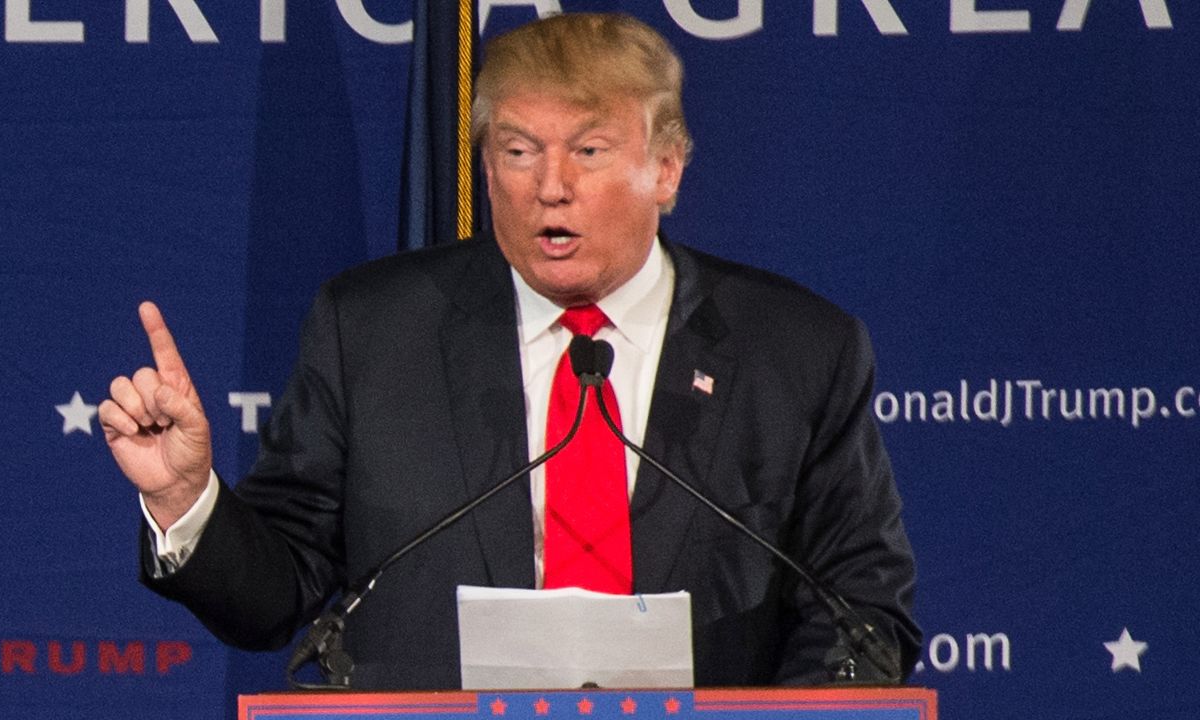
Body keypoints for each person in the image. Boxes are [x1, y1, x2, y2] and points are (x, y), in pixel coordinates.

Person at [100, 12, 920, 690]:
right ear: (487, 167)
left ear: (666, 168)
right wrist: (186, 500)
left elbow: (861, 614)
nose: (549, 186)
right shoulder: (375, 330)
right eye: (519, 151)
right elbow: (276, 598)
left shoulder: (795, 349)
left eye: (589, 152)